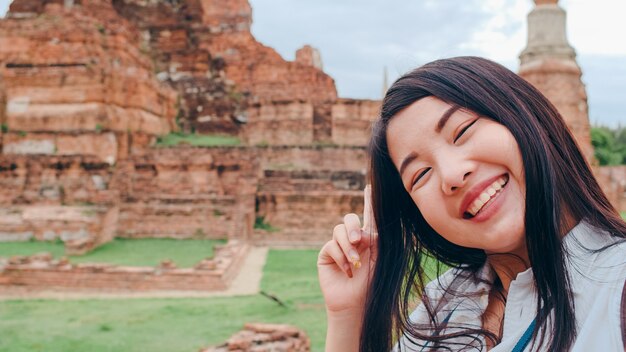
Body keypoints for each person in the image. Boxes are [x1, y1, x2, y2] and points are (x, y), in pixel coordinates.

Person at [317, 56, 626, 351]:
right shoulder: (442, 306)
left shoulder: (616, 288)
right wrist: (348, 313)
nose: (452, 175)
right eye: (420, 175)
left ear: (524, 116)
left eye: (462, 131)